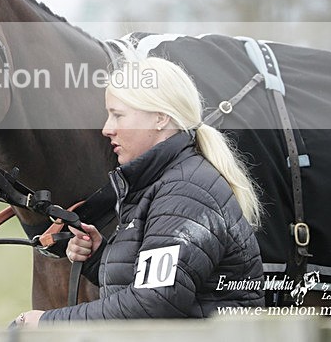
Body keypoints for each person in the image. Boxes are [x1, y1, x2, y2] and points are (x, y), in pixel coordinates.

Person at [15, 52, 264, 326]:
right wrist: (99, 257)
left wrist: (47, 322)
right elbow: (155, 286)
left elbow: (154, 305)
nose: (107, 129)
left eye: (118, 116)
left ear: (159, 118)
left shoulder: (185, 192)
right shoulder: (163, 184)